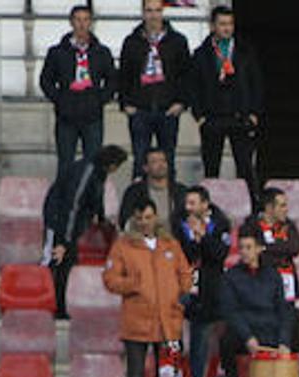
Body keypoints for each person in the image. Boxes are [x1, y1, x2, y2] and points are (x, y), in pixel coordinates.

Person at [105, 197, 193, 377]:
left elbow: (185, 273)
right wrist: (132, 284)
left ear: (156, 217)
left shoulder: (170, 244)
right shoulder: (123, 245)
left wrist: (181, 295)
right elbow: (110, 280)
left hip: (169, 323)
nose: (145, 222)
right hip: (137, 324)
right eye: (140, 218)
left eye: (148, 217)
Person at [46, 144, 130, 316]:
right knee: (60, 264)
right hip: (60, 223)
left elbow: (96, 198)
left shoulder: (99, 171)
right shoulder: (86, 172)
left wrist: (100, 217)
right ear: (112, 164)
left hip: (72, 225)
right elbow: (72, 206)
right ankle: (55, 306)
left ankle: (62, 305)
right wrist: (64, 240)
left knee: (69, 263)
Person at [189, 6, 264, 194]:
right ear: (213, 26)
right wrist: (199, 115)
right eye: (222, 24)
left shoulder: (245, 51)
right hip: (213, 117)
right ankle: (210, 207)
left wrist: (254, 112)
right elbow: (193, 86)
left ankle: (251, 207)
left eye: (230, 24)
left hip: (240, 116)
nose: (227, 28)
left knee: (246, 166)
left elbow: (256, 82)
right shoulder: (201, 54)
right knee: (211, 167)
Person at [117, 0, 191, 179]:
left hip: (168, 109)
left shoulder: (177, 41)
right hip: (140, 109)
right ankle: (139, 203)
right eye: (149, 11)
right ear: (143, 13)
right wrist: (125, 102)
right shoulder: (132, 41)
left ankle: (170, 202)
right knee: (140, 160)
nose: (153, 16)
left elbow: (186, 74)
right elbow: (123, 74)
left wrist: (181, 102)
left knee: (168, 160)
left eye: (157, 10)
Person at [40, 5, 116, 174]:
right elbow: (46, 80)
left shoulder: (101, 52)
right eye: (78, 20)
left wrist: (99, 99)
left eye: (85, 20)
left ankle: (90, 199)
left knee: (94, 164)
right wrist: (61, 99)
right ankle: (65, 199)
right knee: (65, 163)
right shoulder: (57, 52)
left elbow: (112, 79)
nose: (82, 24)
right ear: (71, 22)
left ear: (91, 23)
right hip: (66, 116)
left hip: (92, 116)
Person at [176, 187, 233, 377]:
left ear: (205, 204)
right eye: (187, 203)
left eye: (193, 203)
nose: (188, 208)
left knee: (203, 347)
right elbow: (182, 254)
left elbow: (219, 254)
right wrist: (192, 239)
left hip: (211, 294)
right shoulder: (179, 223)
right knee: (180, 345)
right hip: (185, 289)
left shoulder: (220, 224)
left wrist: (202, 236)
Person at [220, 230, 299, 377]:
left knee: (294, 318)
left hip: (270, 327)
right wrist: (248, 337)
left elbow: (282, 307)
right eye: (241, 248)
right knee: (227, 339)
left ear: (258, 249)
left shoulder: (273, 274)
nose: (244, 252)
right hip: (246, 329)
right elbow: (231, 311)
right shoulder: (231, 276)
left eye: (248, 247)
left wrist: (284, 341)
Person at [116, 148, 184, 232]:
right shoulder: (134, 192)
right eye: (154, 162)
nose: (161, 165)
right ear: (145, 168)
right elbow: (124, 221)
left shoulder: (181, 191)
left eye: (163, 161)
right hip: (142, 241)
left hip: (174, 241)